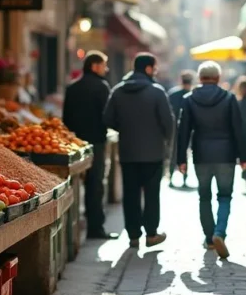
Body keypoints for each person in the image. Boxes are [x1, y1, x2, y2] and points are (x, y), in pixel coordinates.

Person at [175, 61, 246, 259]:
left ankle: (209, 239)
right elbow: (238, 129)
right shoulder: (229, 98)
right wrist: (244, 156)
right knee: (224, 196)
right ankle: (219, 233)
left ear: (200, 78)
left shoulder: (189, 99)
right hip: (226, 155)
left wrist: (180, 159)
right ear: (218, 78)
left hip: (201, 155)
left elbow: (183, 132)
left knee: (204, 196)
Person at [104, 53, 174, 248]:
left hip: (128, 151)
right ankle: (151, 234)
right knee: (152, 194)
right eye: (155, 67)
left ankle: (133, 235)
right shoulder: (157, 91)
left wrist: (124, 128)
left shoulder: (118, 91)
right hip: (153, 152)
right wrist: (166, 142)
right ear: (149, 69)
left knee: (130, 193)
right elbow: (168, 123)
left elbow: (107, 119)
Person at [61, 51, 114, 240]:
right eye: (103, 65)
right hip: (96, 142)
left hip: (74, 143)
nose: (106, 69)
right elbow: (107, 116)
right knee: (95, 184)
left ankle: (72, 230)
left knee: (74, 185)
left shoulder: (72, 88)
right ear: (94, 66)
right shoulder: (102, 87)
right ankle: (95, 228)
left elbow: (65, 119)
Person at [167, 71, 196, 188]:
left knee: (173, 153)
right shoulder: (192, 95)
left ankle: (171, 177)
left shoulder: (173, 94)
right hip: (188, 129)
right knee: (185, 153)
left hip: (173, 128)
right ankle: (184, 177)